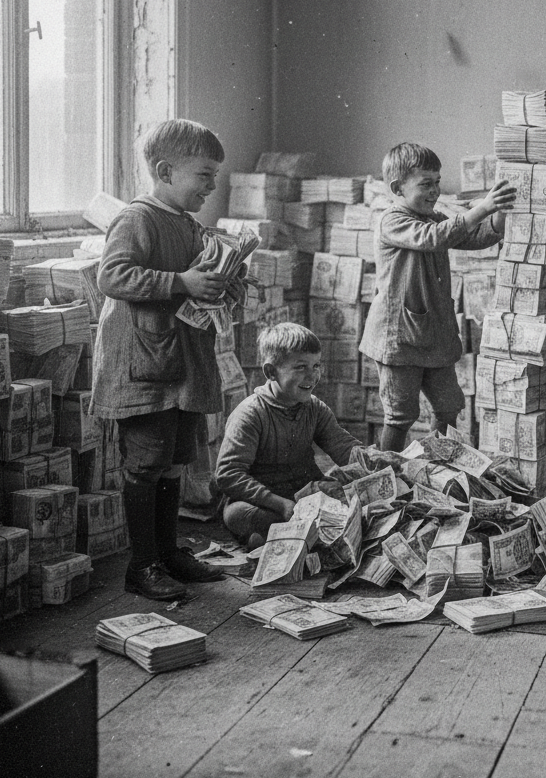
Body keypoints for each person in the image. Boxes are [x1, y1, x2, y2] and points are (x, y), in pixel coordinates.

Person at [90, 118, 231, 600]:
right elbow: (112, 277)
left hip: (180, 366)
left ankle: (169, 554)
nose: (212, 186)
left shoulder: (188, 225)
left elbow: (196, 279)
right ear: (166, 171)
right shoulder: (137, 219)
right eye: (205, 175)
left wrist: (221, 284)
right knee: (146, 464)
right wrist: (181, 283)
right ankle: (142, 565)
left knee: (174, 461)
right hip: (144, 369)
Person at [359, 142, 515, 453]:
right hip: (399, 339)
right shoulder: (392, 220)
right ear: (397, 188)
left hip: (434, 336)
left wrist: (498, 214)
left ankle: (440, 467)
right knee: (401, 414)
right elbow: (434, 238)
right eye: (425, 184)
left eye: (437, 182)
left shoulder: (432, 216)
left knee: (448, 406)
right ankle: (386, 473)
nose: (435, 191)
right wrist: (482, 208)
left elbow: (472, 237)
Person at [217, 322, 365, 550]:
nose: (312, 375)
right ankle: (275, 534)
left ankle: (278, 537)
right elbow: (228, 474)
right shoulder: (250, 413)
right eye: (300, 367)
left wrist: (377, 463)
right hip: (266, 502)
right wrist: (279, 504)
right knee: (236, 514)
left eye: (316, 365)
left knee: (352, 496)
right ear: (271, 372)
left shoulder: (315, 408)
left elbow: (343, 446)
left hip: (305, 495)